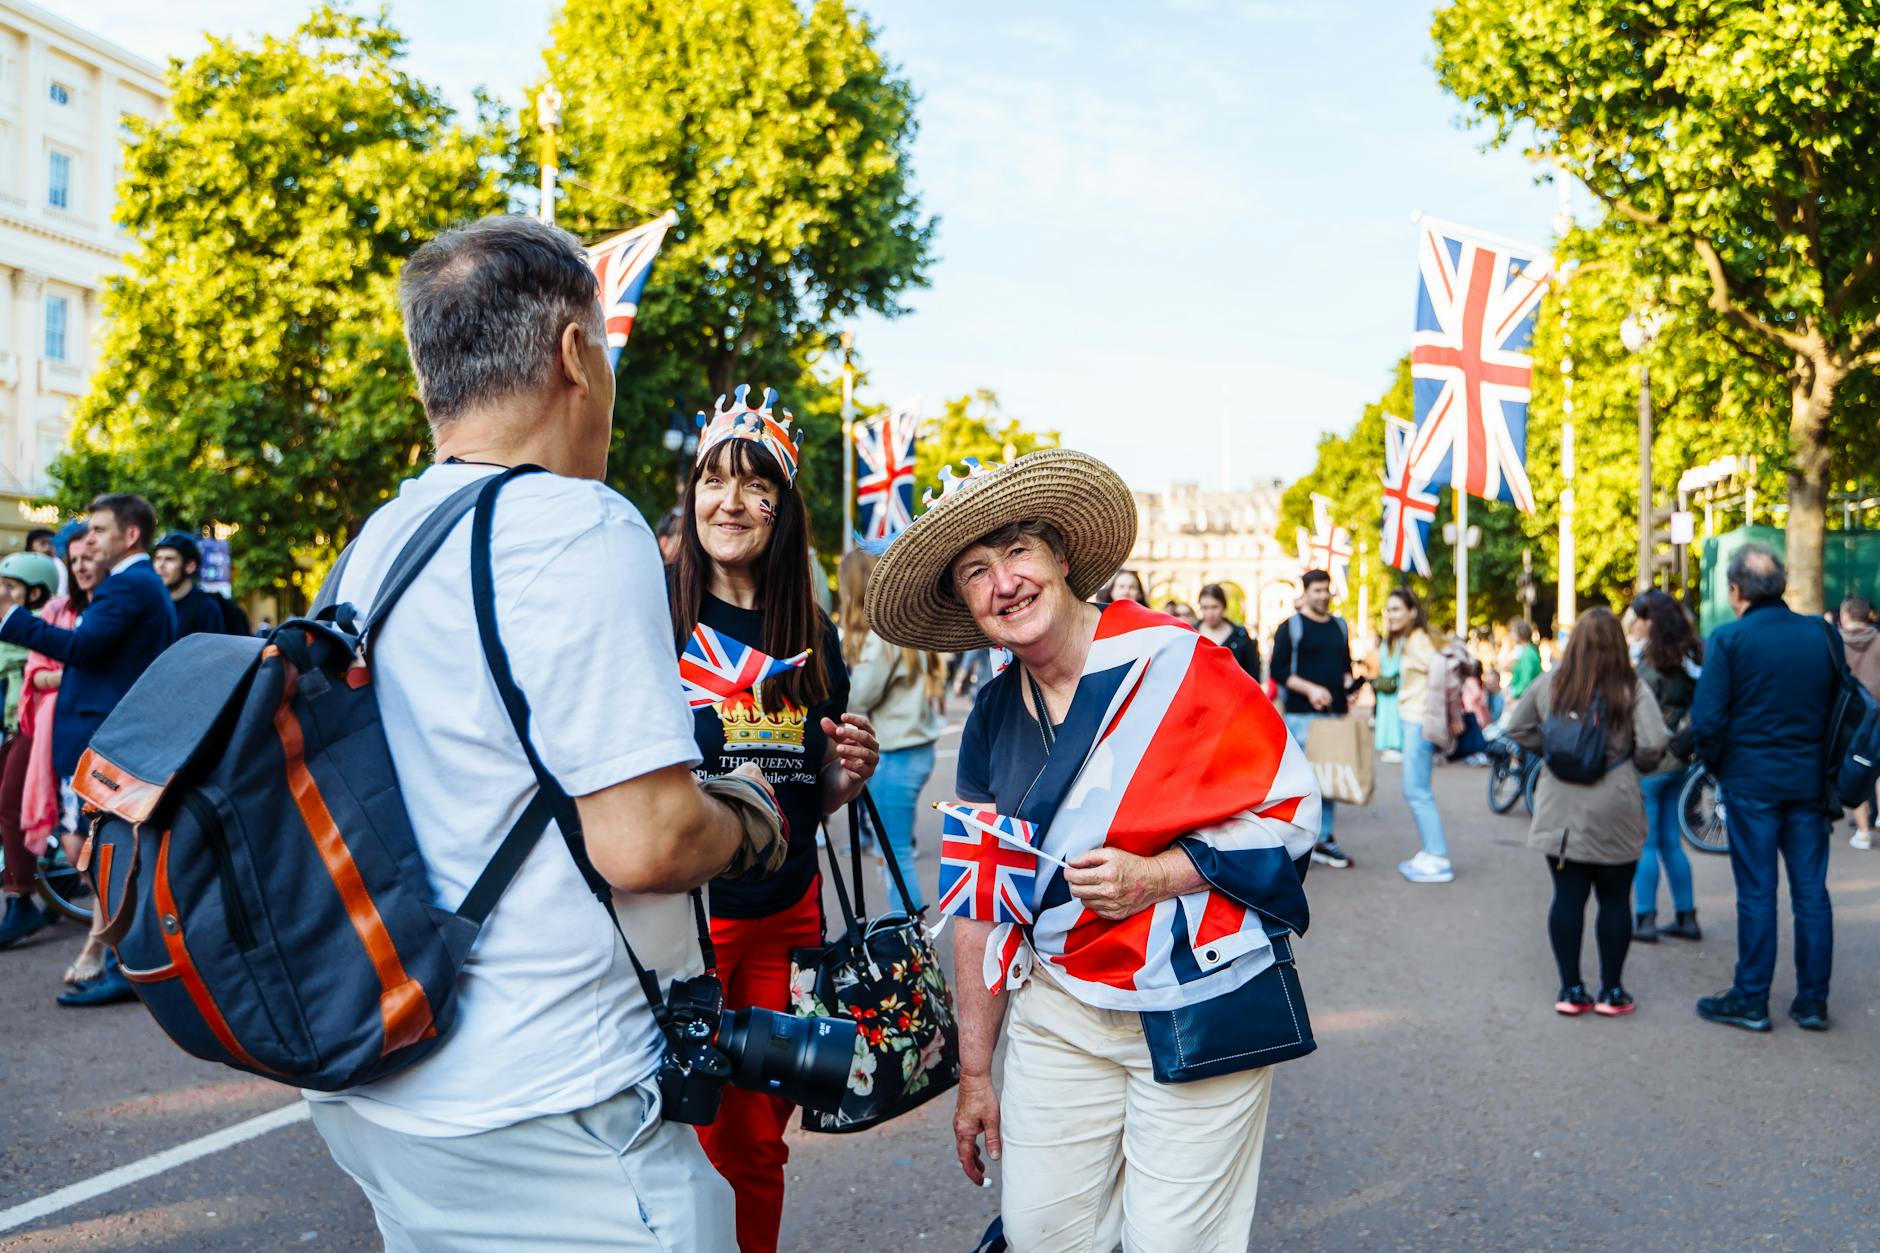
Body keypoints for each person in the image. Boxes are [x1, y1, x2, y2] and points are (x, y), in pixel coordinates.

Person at [303, 214, 785, 1251]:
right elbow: (646, 840)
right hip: (547, 1104)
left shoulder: (370, 544)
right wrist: (752, 818)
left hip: (380, 1081)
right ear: (575, 352)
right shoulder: (580, 523)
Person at [863, 448, 1317, 1253]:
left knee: (1172, 1243)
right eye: (974, 571)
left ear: (1061, 557)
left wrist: (1158, 874)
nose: (1002, 582)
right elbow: (977, 904)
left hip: (1198, 1000)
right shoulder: (993, 715)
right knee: (1044, 1235)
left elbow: (1290, 813)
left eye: (1015, 551)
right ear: (965, 604)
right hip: (1061, 1008)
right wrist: (974, 1073)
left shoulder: (1182, 663)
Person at [668, 384, 877, 1253]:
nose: (733, 501)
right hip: (680, 922)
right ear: (693, 496)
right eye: (715, 480)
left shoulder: (812, 629)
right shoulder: (651, 613)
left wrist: (844, 777)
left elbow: (812, 791)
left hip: (786, 921)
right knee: (670, 1131)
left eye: (758, 487)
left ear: (782, 509)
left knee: (756, 1142)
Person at [0, 496, 176, 1006]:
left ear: (132, 535)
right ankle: (120, 960)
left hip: (109, 742)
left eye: (99, 530)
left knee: (105, 858)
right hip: (107, 738)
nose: (89, 540)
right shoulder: (133, 584)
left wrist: (12, 617)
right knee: (100, 856)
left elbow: (84, 651)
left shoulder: (129, 585)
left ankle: (126, 965)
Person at [1690, 545, 1839, 1033]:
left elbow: (1707, 721)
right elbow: (1842, 709)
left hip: (1751, 782)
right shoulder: (1821, 634)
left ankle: (1752, 997)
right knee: (1811, 891)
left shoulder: (1729, 640)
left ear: (1736, 591)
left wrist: (1719, 766)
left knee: (1757, 891)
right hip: (1809, 780)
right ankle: (1812, 1001)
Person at [839, 547, 942, 912]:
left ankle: (909, 946)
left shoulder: (878, 636)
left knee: (894, 856)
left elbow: (858, 696)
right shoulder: (902, 627)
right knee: (895, 852)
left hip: (895, 754)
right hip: (914, 749)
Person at [1629, 591, 1704, 942]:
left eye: (1639, 619)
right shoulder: (1690, 659)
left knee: (1646, 844)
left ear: (1650, 622)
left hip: (1650, 761)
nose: (1634, 625)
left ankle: (1645, 918)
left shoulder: (1647, 665)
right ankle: (1686, 915)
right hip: (1680, 760)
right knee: (1671, 842)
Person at [1270, 568, 1356, 869]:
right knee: (1300, 783)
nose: (1322, 595)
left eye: (1325, 590)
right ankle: (1293, 841)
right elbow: (1278, 671)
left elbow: (1345, 667)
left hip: (1334, 716)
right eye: (1316, 590)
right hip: (1300, 716)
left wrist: (1350, 688)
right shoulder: (1290, 627)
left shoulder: (1339, 626)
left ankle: (1324, 839)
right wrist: (1311, 689)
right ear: (1305, 592)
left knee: (1329, 780)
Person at [0, 552, 64, 949]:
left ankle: (20, 900)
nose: (3, 594)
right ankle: (63, 875)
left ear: (36, 591)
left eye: (10, 587)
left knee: (11, 808)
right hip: (12, 726)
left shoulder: (40, 629)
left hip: (36, 726)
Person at [1385, 587, 1455, 883]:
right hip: (1415, 719)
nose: (1390, 615)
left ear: (1412, 612)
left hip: (1418, 721)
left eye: (1396, 609)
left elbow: (1443, 670)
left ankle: (1437, 856)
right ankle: (1432, 851)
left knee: (1417, 791)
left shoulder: (1417, 640)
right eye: (1388, 610)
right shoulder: (1413, 639)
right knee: (1417, 790)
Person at [1836, 595, 1880, 848]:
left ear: (1845, 616)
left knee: (1856, 767)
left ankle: (1863, 832)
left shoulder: (1835, 642)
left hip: (1851, 717)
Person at [152, 531, 234, 638]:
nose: (160, 565)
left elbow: (213, 652)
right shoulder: (153, 604)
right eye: (158, 558)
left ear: (190, 566)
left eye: (169, 559)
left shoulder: (206, 607)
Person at [1197, 582, 1262, 682]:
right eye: (1205, 608)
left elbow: (1252, 674)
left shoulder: (1240, 635)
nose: (1210, 613)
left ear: (1223, 606)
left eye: (1214, 607)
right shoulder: (1192, 633)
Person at [1506, 617, 1543, 700]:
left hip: (1527, 698)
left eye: (1512, 632)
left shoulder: (1528, 653)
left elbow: (1526, 680)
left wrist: (1513, 693)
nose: (1510, 635)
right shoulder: (1526, 651)